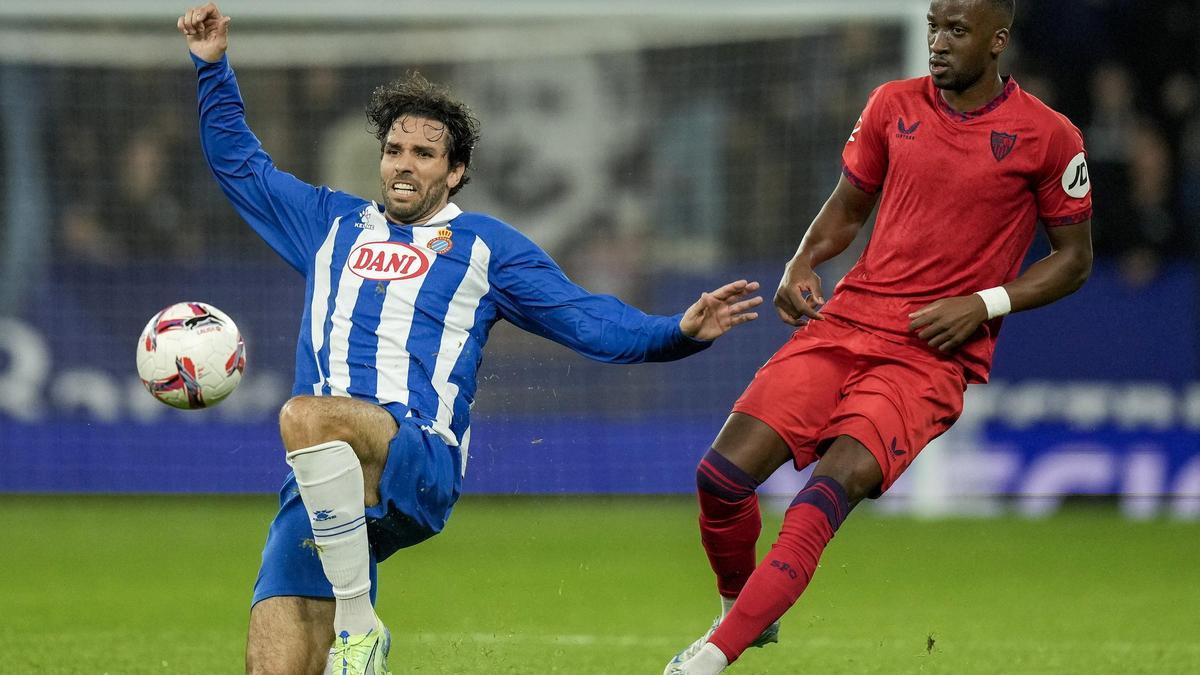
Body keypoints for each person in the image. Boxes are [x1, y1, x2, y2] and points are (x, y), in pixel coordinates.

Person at [176, 4, 764, 674]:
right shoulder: (329, 224)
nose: (404, 165)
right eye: (394, 150)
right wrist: (212, 66)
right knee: (273, 666)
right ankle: (353, 633)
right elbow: (240, 164)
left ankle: (361, 629)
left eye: (424, 154)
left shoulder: (485, 247)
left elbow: (584, 317)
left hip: (416, 456)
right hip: (322, 484)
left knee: (303, 414)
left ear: (455, 172)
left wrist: (676, 332)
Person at [665, 1, 1093, 673]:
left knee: (820, 498)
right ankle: (741, 610)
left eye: (957, 31)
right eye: (934, 27)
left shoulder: (1049, 136)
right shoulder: (892, 103)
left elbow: (1074, 259)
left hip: (927, 358)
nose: (939, 43)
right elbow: (848, 206)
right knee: (720, 477)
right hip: (845, 325)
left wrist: (983, 304)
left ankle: (711, 658)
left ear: (997, 41)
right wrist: (803, 260)